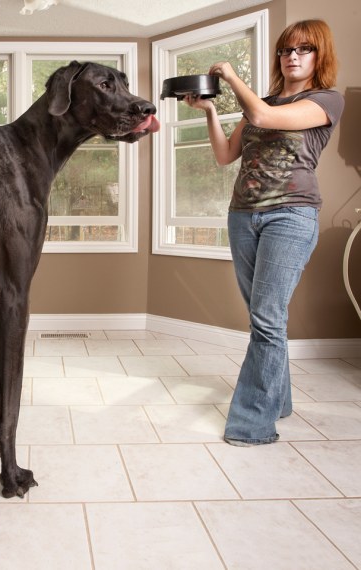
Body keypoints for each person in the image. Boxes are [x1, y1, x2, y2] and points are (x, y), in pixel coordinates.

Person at [184, 19, 344, 445]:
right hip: (243, 215)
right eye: (286, 50)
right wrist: (212, 111)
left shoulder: (326, 100)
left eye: (304, 49)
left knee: (267, 319)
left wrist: (232, 77)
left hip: (290, 216)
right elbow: (225, 155)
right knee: (265, 319)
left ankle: (252, 425)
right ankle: (280, 399)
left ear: (319, 56)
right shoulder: (266, 100)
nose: (292, 56)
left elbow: (263, 115)